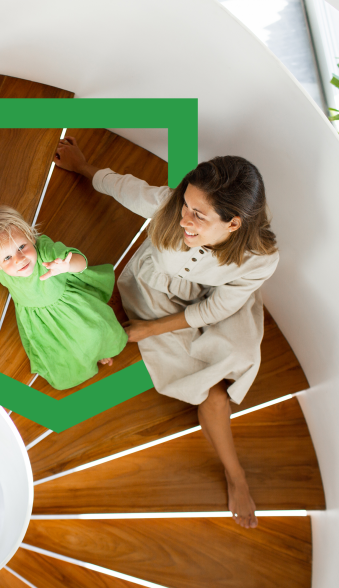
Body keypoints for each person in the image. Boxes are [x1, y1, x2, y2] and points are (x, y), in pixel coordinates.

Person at [54, 137, 279, 529]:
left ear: (233, 223)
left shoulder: (260, 259)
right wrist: (84, 167)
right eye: (185, 205)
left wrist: (149, 330)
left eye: (198, 215)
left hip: (214, 302)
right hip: (157, 290)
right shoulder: (171, 209)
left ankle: (235, 473)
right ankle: (235, 473)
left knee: (233, 358)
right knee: (212, 393)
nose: (183, 220)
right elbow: (126, 187)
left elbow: (216, 308)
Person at [0, 205, 128, 390]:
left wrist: (66, 266)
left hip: (70, 306)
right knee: (59, 350)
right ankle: (83, 359)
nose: (19, 259)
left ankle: (101, 351)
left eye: (21, 247)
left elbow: (79, 261)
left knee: (93, 333)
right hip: (39, 320)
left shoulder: (44, 251)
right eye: (7, 258)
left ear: (30, 236)